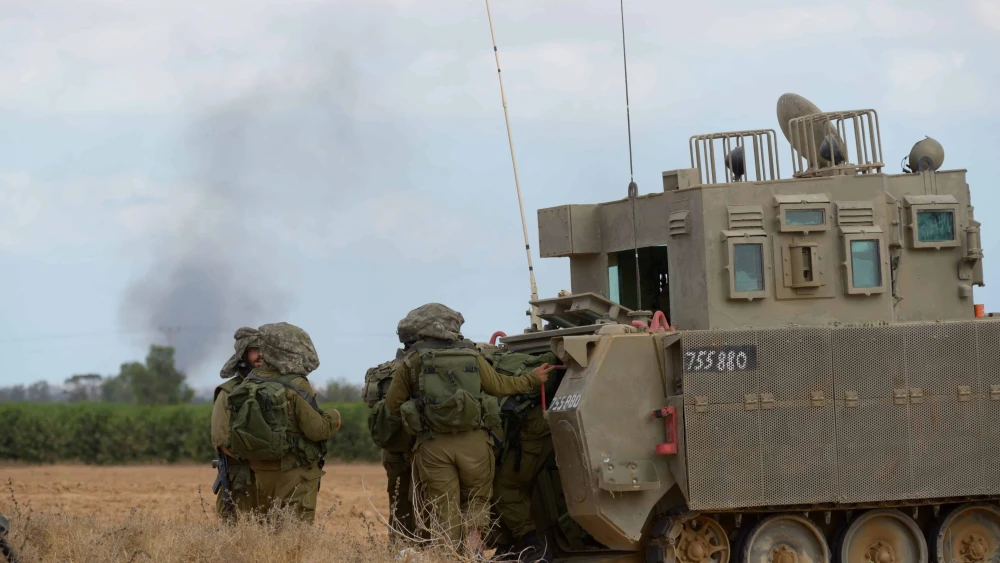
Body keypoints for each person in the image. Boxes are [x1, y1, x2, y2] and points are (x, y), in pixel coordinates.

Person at [384, 303, 556, 555]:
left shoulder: (413, 360)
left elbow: (392, 404)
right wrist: (533, 378)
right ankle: (474, 551)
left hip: (433, 446)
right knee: (477, 500)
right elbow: (500, 386)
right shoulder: (472, 355)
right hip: (475, 445)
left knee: (445, 506)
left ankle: (450, 557)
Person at [226, 322, 341, 524]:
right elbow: (317, 429)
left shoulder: (251, 380)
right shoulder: (296, 383)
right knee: (295, 537)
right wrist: (333, 416)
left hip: (261, 472)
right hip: (293, 472)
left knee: (269, 532)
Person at [362, 350, 418, 542]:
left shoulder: (380, 372)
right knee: (431, 504)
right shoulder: (434, 366)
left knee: (399, 505)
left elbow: (369, 401)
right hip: (430, 449)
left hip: (394, 448)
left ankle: (399, 550)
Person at [211, 327, 264, 520]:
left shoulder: (277, 390)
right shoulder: (228, 392)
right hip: (240, 481)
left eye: (264, 349)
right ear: (243, 354)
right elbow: (221, 440)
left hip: (270, 482)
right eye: (254, 350)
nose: (260, 355)